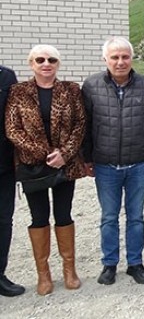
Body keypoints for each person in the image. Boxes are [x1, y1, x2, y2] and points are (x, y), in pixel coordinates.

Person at [82, 37, 144, 285]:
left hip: (138, 164)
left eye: (125, 57)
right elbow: (85, 126)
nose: (120, 62)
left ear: (131, 58)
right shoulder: (91, 86)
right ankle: (109, 264)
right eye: (115, 57)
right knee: (109, 217)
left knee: (136, 217)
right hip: (105, 165)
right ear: (105, 59)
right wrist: (86, 158)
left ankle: (135, 263)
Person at [5, 45, 87, 295]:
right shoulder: (18, 91)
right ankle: (43, 274)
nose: (46, 64)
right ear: (31, 64)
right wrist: (44, 153)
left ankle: (69, 270)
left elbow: (80, 124)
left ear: (58, 64)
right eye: (40, 60)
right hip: (33, 166)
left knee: (64, 214)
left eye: (51, 60)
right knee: (39, 217)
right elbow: (12, 129)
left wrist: (64, 154)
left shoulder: (71, 89)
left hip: (65, 165)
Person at [0, 64, 23, 297]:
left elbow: (16, 117)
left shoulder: (6, 76)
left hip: (3, 166)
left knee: (4, 221)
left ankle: (0, 275)